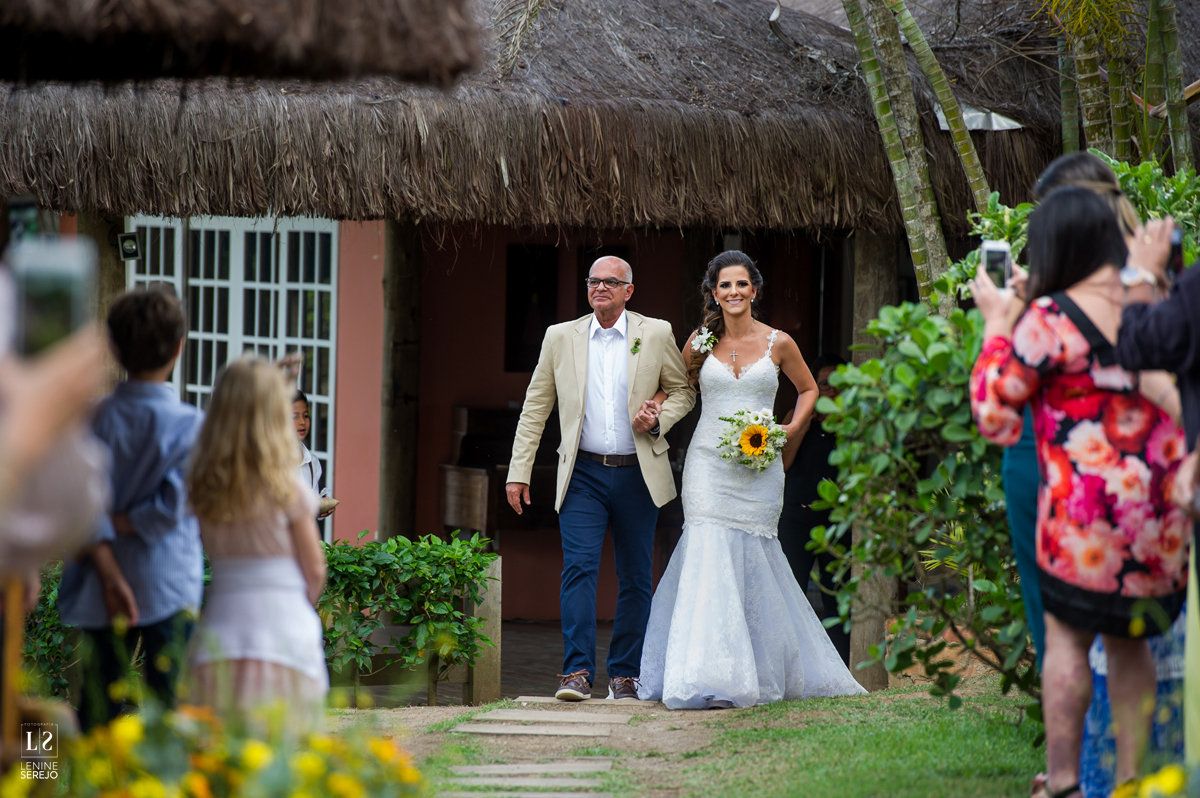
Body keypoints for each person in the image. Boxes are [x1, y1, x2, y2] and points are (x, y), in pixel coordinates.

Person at [969, 187, 1189, 798]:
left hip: (1082, 511)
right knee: (1131, 642)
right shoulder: (1156, 301)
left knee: (1067, 639)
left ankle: (1064, 782)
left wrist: (996, 326)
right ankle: (1131, 781)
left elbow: (995, 415)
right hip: (1159, 510)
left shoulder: (1049, 320)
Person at [638, 251, 866, 709]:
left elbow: (809, 389)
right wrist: (654, 406)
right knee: (707, 550)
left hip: (759, 467)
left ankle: (757, 670)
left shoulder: (778, 343)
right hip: (707, 463)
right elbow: (679, 387)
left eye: (742, 284)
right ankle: (705, 673)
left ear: (754, 290)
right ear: (714, 293)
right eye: (725, 286)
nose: (734, 292)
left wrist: (792, 429)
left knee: (756, 554)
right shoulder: (700, 342)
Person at [506, 256, 695, 701]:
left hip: (637, 473)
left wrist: (657, 419)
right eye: (594, 281)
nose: (601, 288)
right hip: (583, 473)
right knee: (578, 569)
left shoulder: (656, 332)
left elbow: (683, 390)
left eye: (612, 282)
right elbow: (536, 408)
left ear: (630, 290)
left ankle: (625, 675)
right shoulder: (560, 337)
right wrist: (519, 471)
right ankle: (576, 673)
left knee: (635, 576)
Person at [56, 288, 205, 731]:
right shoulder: (190, 425)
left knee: (98, 703)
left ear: (114, 348)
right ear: (179, 347)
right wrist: (128, 520)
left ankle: (57, 779)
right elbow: (168, 511)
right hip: (167, 583)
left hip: (101, 582)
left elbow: (73, 501)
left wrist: (104, 523)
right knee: (169, 709)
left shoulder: (90, 417)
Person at [185, 357, 328, 733]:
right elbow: (314, 569)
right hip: (284, 624)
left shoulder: (203, 482)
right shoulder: (288, 485)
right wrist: (298, 608)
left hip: (222, 622)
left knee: (220, 743)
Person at [777, 353, 850, 665]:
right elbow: (779, 464)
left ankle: (839, 666)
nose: (831, 392)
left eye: (838, 385)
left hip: (837, 522)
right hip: (795, 517)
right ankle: (793, 665)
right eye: (824, 385)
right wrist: (803, 422)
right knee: (791, 593)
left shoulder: (856, 426)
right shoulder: (798, 415)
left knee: (837, 597)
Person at [292, 389, 335, 520]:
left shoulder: (312, 462)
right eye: (294, 416)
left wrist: (320, 508)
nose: (302, 422)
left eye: (306, 415)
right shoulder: (270, 461)